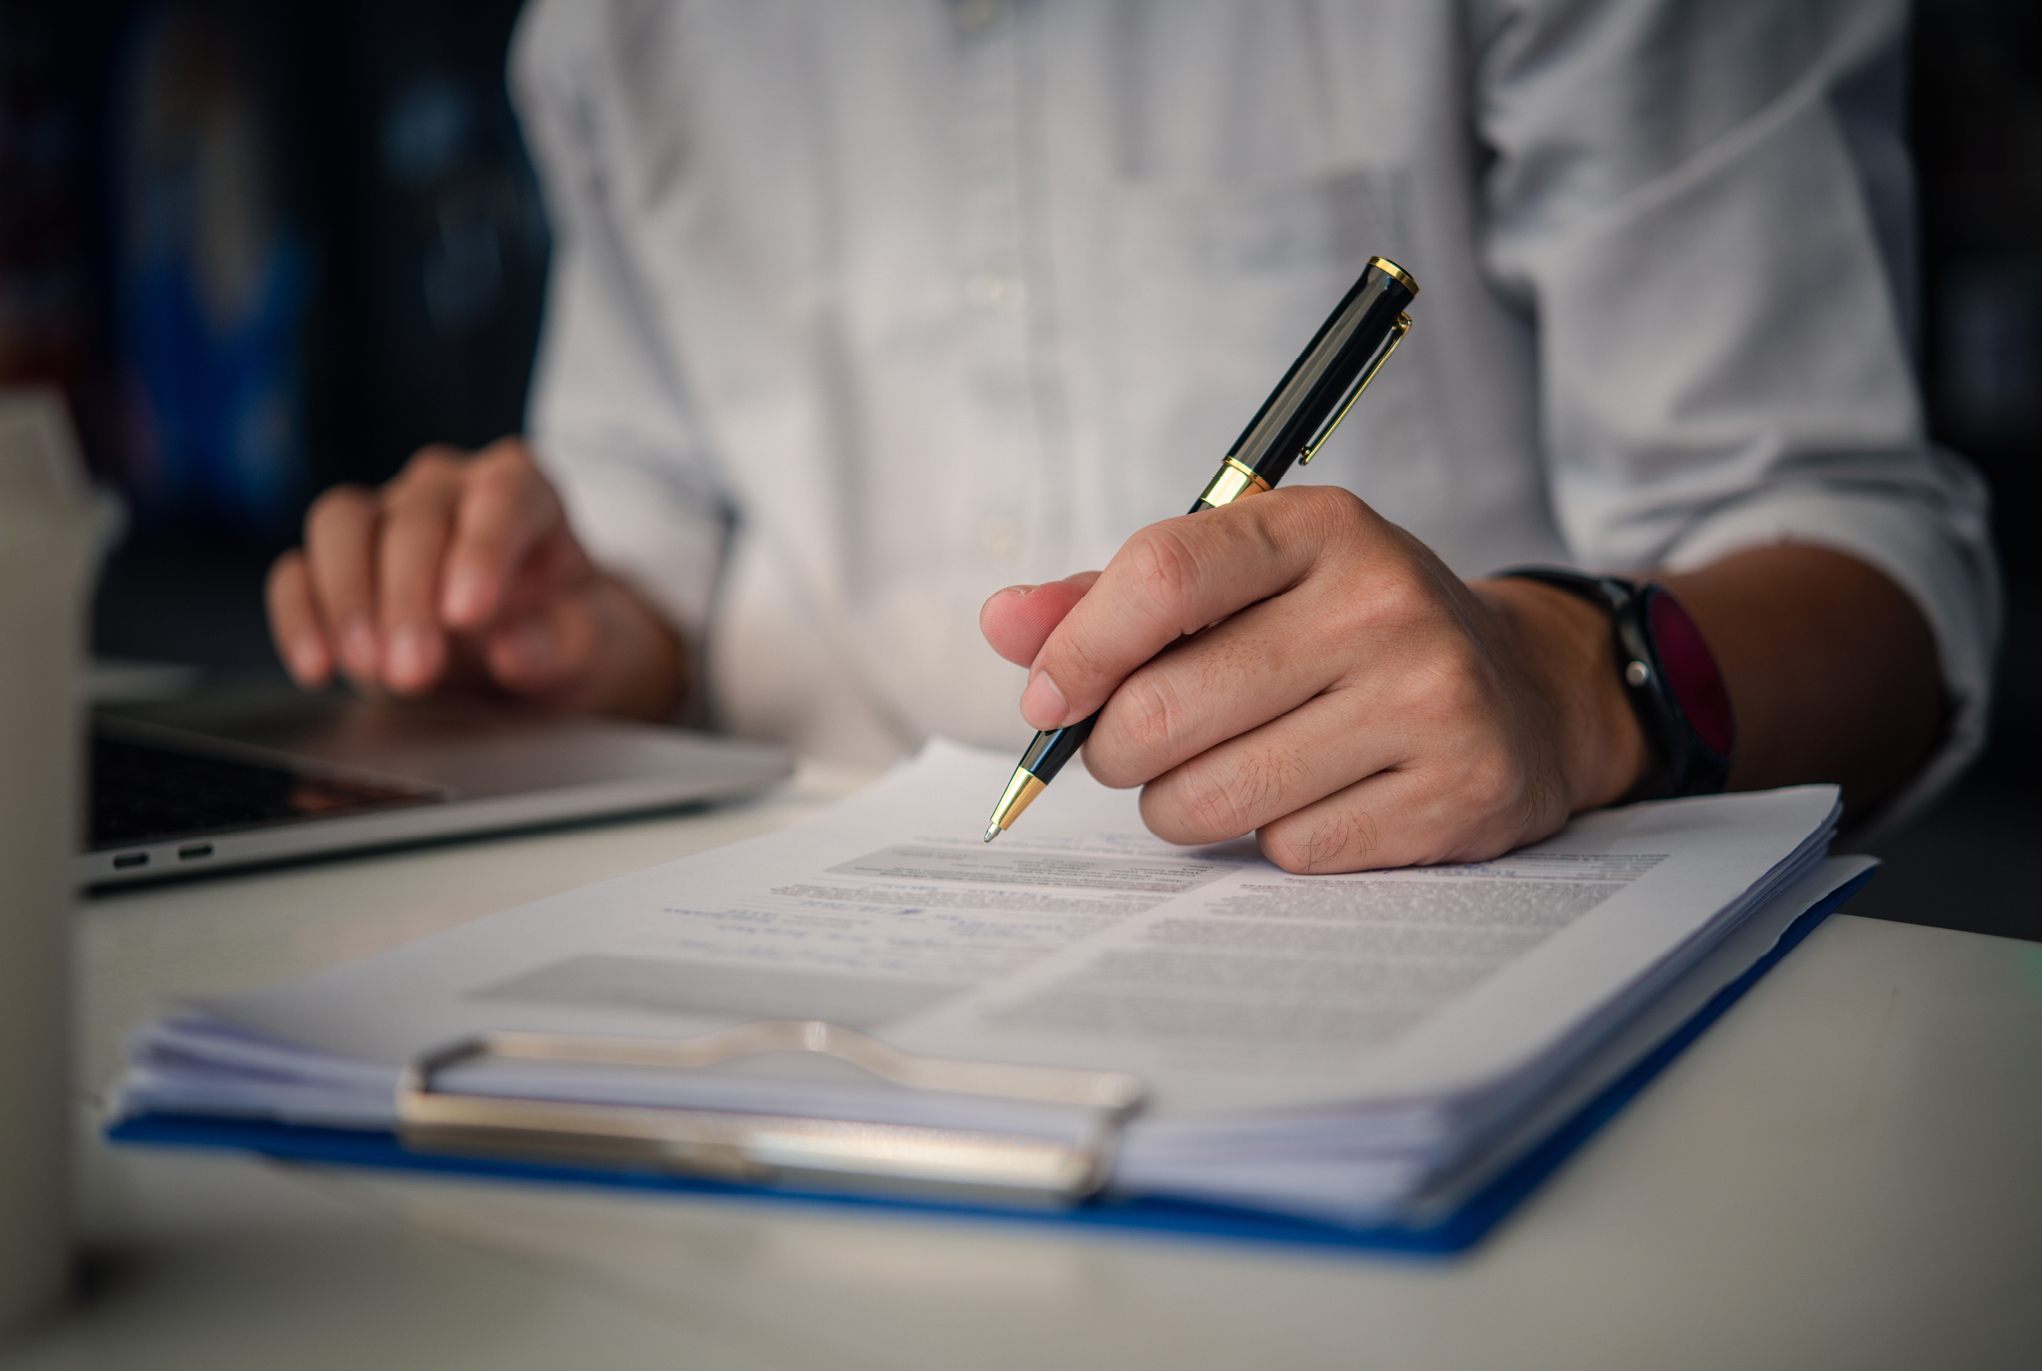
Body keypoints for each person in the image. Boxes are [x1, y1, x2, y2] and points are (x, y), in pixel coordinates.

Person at [266, 0, 1997, 873]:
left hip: (1423, 966)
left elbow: (1871, 582)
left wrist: (1569, 676)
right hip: (794, 975)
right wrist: (560, 623)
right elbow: (656, 510)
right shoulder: (615, 30)